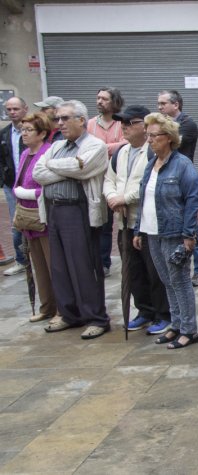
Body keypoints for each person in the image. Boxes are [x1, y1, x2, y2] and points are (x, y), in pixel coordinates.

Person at [33, 100, 110, 339]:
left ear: (80, 120)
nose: (60, 123)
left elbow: (84, 168)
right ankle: (69, 314)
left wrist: (54, 168)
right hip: (54, 210)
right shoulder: (57, 146)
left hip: (78, 211)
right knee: (60, 266)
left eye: (65, 118)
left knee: (83, 266)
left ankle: (96, 317)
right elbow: (38, 173)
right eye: (58, 119)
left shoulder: (95, 145)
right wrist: (68, 168)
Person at [133, 113, 198, 349]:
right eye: (147, 135)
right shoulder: (152, 165)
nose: (149, 140)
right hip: (153, 233)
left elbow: (193, 201)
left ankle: (189, 330)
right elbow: (144, 199)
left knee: (179, 281)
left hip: (174, 233)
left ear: (169, 137)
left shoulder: (182, 165)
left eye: (154, 135)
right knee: (166, 281)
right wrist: (138, 230)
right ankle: (176, 325)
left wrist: (188, 235)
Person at [104, 105, 171, 336]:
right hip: (124, 222)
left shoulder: (153, 152)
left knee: (155, 272)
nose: (124, 127)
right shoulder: (121, 152)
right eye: (122, 123)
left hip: (146, 223)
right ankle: (144, 310)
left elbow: (149, 184)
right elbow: (109, 179)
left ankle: (163, 313)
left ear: (143, 126)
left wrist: (126, 197)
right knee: (133, 272)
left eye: (129, 123)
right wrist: (112, 197)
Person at [156, 89, 198, 287]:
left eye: (163, 103)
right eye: (158, 104)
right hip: (167, 181)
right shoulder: (163, 126)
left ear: (176, 105)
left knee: (191, 225)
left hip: (183, 181)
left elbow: (171, 146)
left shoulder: (187, 124)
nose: (159, 107)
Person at [14, 112, 58, 322]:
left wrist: (29, 193)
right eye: (23, 130)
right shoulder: (25, 154)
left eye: (29, 130)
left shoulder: (48, 153)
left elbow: (52, 186)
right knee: (37, 265)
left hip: (44, 217)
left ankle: (61, 308)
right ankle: (46, 307)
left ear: (42, 133)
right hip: (27, 218)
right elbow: (17, 182)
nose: (24, 133)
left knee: (53, 265)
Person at [87, 86, 127, 278]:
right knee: (99, 223)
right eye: (98, 98)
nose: (99, 102)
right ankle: (101, 262)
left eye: (104, 99)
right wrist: (109, 147)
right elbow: (87, 149)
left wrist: (100, 148)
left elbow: (125, 145)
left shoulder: (121, 123)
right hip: (95, 180)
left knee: (119, 223)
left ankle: (117, 262)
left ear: (114, 102)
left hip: (118, 179)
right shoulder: (91, 124)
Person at [1, 96, 29, 275]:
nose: (12, 112)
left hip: (32, 184)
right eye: (9, 109)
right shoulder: (4, 133)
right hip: (12, 185)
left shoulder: (33, 130)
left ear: (25, 109)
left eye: (15, 109)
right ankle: (21, 260)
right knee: (16, 223)